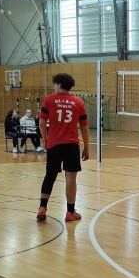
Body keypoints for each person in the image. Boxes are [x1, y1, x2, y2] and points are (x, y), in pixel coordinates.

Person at [37, 73, 89, 222]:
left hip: (54, 144)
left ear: (58, 84)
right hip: (72, 145)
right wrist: (86, 147)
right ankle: (70, 212)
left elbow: (41, 123)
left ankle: (42, 208)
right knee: (71, 178)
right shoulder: (79, 102)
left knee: (50, 176)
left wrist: (45, 139)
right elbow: (84, 128)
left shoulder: (49, 100)